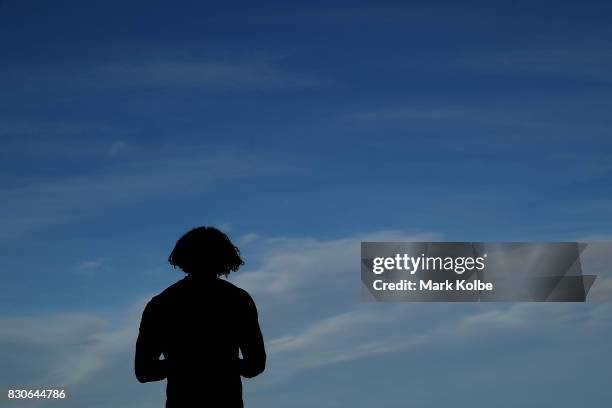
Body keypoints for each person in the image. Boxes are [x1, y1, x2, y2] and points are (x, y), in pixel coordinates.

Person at [135, 226, 266, 407]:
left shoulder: (161, 304)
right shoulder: (238, 300)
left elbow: (144, 371)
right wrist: (220, 363)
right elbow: (255, 365)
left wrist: (184, 363)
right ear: (224, 257)